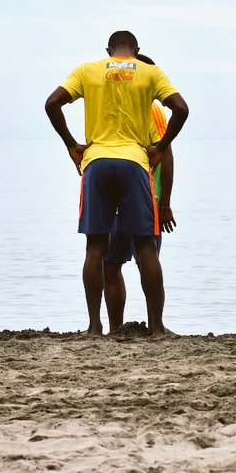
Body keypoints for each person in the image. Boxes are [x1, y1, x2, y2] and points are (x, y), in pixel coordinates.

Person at [44, 30, 189, 337]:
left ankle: (95, 327)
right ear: (136, 50)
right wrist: (161, 147)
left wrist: (72, 144)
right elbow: (181, 109)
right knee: (146, 248)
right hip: (135, 163)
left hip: (96, 162)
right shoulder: (149, 72)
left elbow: (52, 103)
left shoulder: (87, 70)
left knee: (95, 247)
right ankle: (157, 327)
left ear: (108, 50)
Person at [102, 53, 177, 334]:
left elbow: (166, 156)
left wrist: (164, 203)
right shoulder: (114, 107)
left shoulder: (153, 110)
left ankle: (156, 325)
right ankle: (115, 328)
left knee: (145, 260)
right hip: (115, 201)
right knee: (111, 263)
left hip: (146, 199)